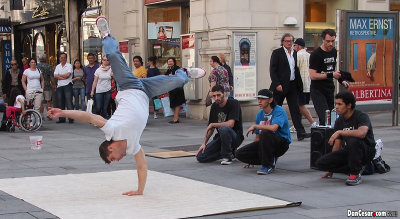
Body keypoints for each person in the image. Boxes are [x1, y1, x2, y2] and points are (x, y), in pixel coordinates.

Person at [48, 16, 205, 195]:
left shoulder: (111, 130)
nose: (117, 160)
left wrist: (62, 112)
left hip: (128, 85)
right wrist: (140, 190)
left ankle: (106, 35)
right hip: (146, 91)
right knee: (177, 81)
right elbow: (142, 166)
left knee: (114, 56)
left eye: (113, 158)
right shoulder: (133, 147)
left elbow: (89, 117)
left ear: (110, 147)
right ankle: (185, 71)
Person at [316, 92, 376, 186]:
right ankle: (356, 167)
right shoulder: (339, 121)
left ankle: (355, 174)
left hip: (366, 150)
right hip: (350, 151)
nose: (336, 107)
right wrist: (332, 168)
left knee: (354, 140)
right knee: (320, 163)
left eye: (340, 104)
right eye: (336, 104)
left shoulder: (361, 116)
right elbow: (337, 145)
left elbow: (362, 133)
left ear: (349, 105)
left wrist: (340, 132)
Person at [236, 89, 291, 174]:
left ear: (270, 100)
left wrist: (255, 126)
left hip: (281, 143)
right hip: (265, 143)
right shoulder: (260, 114)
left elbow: (273, 128)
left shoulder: (279, 110)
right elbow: (258, 138)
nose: (259, 101)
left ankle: (267, 165)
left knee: (266, 132)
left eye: (263, 99)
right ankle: (269, 158)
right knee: (239, 154)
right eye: (258, 99)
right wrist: (250, 158)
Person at [269, 33, 310, 141]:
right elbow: (273, 70)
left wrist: (299, 85)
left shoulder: (294, 53)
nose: (289, 43)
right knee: (276, 108)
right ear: (282, 42)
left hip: (292, 84)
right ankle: (271, 130)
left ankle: (300, 132)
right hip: (280, 85)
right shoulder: (277, 53)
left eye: (291, 41)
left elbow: (295, 70)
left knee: (295, 109)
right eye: (287, 41)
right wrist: (277, 84)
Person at [309, 29, 350, 125]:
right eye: (328, 41)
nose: (330, 44)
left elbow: (332, 70)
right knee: (325, 118)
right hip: (318, 90)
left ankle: (330, 138)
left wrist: (341, 80)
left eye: (333, 41)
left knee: (333, 118)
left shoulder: (334, 52)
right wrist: (331, 75)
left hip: (329, 89)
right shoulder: (316, 54)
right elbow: (313, 75)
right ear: (323, 40)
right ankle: (323, 138)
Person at [196, 84, 244, 165]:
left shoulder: (234, 103)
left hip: (235, 137)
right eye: (214, 96)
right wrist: (204, 143)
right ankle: (230, 152)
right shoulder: (214, 106)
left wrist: (213, 124)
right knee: (201, 157)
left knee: (224, 128)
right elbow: (211, 129)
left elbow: (230, 124)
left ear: (224, 94)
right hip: (221, 138)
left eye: (218, 95)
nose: (216, 98)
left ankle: (227, 157)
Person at [293, 38, 317, 128]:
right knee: (298, 106)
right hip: (309, 84)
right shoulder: (309, 55)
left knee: (300, 105)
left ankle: (313, 122)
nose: (294, 47)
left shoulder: (297, 55)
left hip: (300, 85)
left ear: (298, 46)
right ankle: (297, 125)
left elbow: (294, 69)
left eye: (294, 45)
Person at [53, 52, 74, 123]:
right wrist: (63, 76)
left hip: (67, 85)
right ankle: (62, 118)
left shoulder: (69, 66)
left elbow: (68, 75)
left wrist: (60, 76)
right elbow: (55, 75)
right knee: (60, 102)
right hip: (60, 85)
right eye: (61, 57)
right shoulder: (58, 66)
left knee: (69, 102)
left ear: (66, 58)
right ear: (59, 58)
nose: (63, 59)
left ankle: (71, 117)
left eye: (64, 57)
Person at [166, 57, 185, 124]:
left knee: (177, 104)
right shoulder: (169, 69)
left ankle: (175, 119)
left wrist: (172, 76)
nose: (170, 63)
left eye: (171, 61)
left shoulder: (177, 69)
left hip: (177, 90)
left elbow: (180, 78)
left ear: (174, 62)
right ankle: (176, 118)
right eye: (168, 62)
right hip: (172, 89)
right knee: (174, 104)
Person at [37, 54, 55, 119]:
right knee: (48, 101)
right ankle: (49, 115)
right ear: (45, 59)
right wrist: (54, 84)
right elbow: (51, 77)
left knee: (41, 101)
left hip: (39, 86)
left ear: (39, 59)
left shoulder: (37, 66)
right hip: (47, 85)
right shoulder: (49, 66)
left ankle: (41, 115)